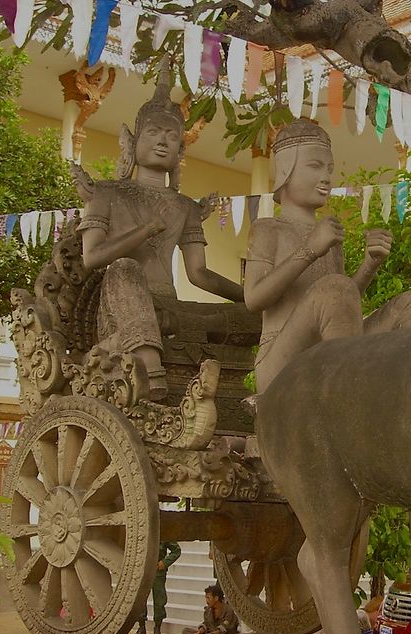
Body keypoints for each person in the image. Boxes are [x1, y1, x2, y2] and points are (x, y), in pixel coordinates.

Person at [77, 61, 244, 401]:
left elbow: (199, 274)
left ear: (180, 151)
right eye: (153, 133)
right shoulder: (107, 192)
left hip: (170, 308)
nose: (163, 141)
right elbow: (92, 257)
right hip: (120, 308)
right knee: (125, 268)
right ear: (132, 141)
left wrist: (251, 296)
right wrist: (144, 230)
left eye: (172, 136)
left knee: (245, 315)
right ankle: (151, 369)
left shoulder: (184, 206)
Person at [244, 118, 411, 393]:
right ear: (286, 169)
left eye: (329, 169)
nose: (326, 177)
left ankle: (406, 394)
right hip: (282, 358)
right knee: (336, 287)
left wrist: (369, 265)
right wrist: (310, 250)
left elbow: (342, 306)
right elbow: (253, 298)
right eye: (315, 166)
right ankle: (348, 394)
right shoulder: (267, 228)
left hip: (333, 351)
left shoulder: (330, 238)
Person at [135, 541, 182, 634]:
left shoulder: (163, 533)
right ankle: (141, 626)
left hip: (158, 571)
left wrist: (165, 562)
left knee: (159, 599)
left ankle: (157, 626)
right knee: (140, 599)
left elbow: (176, 551)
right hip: (142, 569)